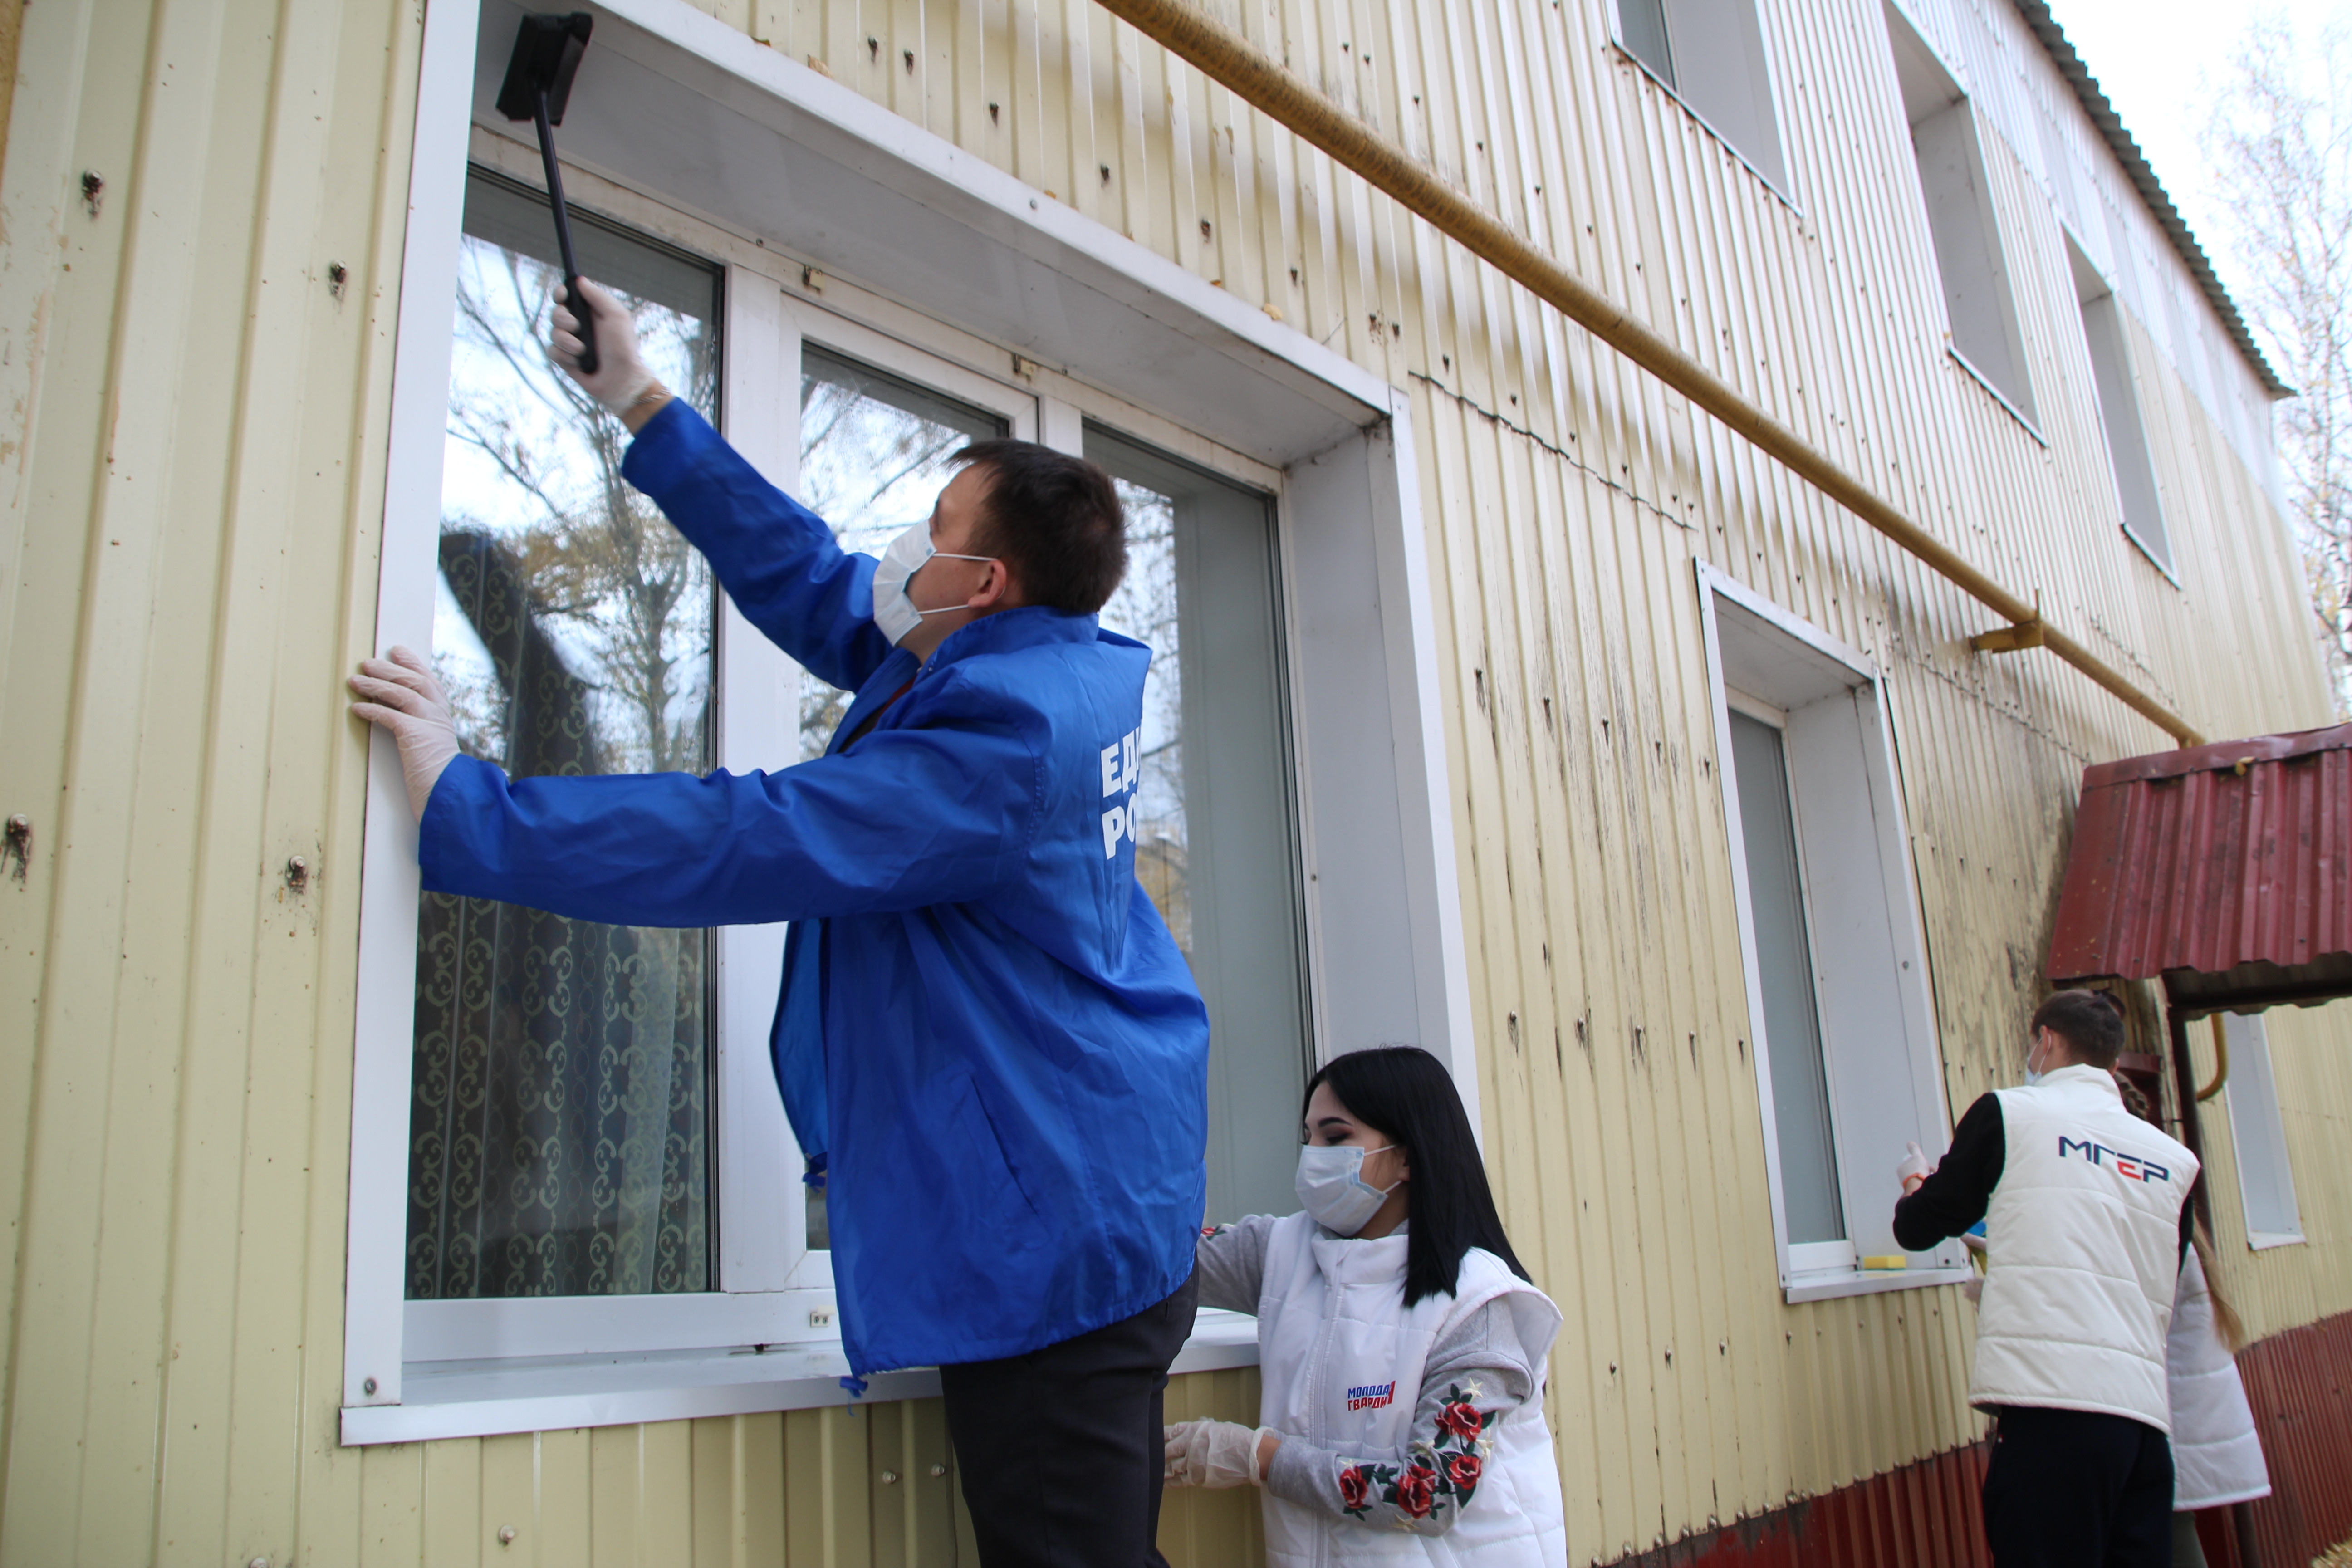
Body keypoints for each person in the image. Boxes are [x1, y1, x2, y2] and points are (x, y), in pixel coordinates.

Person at [349, 280, 1210, 1567]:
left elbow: (750, 837)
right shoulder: (1017, 659)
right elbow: (809, 579)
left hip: (1056, 1252)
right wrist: (642, 401)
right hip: (1097, 1201)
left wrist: (479, 807)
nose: (901, 553)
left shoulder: (997, 741)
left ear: (981, 580)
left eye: (932, 530)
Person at [1163, 1046, 1567, 1565]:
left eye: (1335, 1138)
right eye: (1308, 1139)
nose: (1313, 1157)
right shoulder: (1283, 1252)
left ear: (1406, 1154)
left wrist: (1259, 1457)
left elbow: (1429, 1494)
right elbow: (1161, 1257)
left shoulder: (1477, 1304)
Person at [1891, 989, 2198, 1568]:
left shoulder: (2010, 1114)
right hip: (2142, 1428)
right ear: (2110, 1059)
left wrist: (1916, 1183)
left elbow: (1920, 1227)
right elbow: (2153, 1271)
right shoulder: (2172, 1160)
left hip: (2053, 1411)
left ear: (2047, 1040)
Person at [2165, 1223, 2269, 1567]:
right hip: (2186, 1420)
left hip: (2162, 1423)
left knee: (2168, 1527)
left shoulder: (2168, 1239)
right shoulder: (2184, 1232)